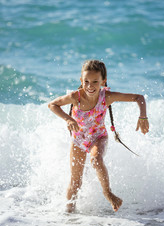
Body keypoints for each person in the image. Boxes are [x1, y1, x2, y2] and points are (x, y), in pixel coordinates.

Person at [48, 60, 149, 212]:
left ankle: (107, 192)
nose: (90, 86)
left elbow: (139, 98)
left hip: (98, 137)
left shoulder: (107, 97)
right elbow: (52, 105)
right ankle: (69, 214)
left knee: (96, 160)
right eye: (86, 81)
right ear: (81, 81)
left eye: (95, 82)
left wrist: (143, 117)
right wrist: (68, 119)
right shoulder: (75, 97)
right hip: (78, 140)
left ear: (103, 81)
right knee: (75, 181)